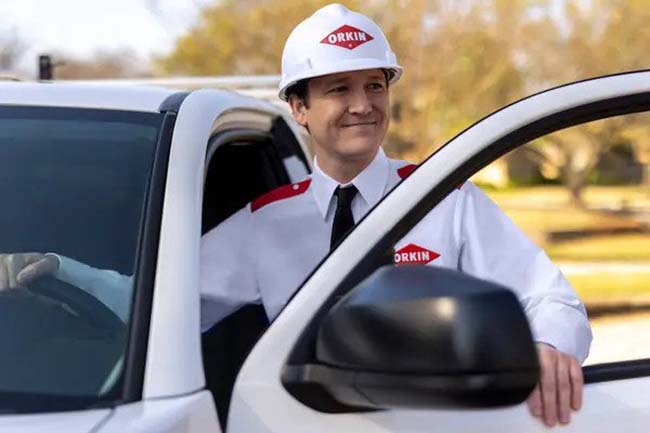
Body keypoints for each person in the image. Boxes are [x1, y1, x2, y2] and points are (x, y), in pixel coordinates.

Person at [0, 3, 590, 427]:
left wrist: (547, 349)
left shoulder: (445, 199)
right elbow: (153, 304)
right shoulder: (266, 224)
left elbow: (555, 300)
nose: (363, 105)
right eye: (339, 89)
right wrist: (55, 269)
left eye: (374, 85)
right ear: (299, 108)